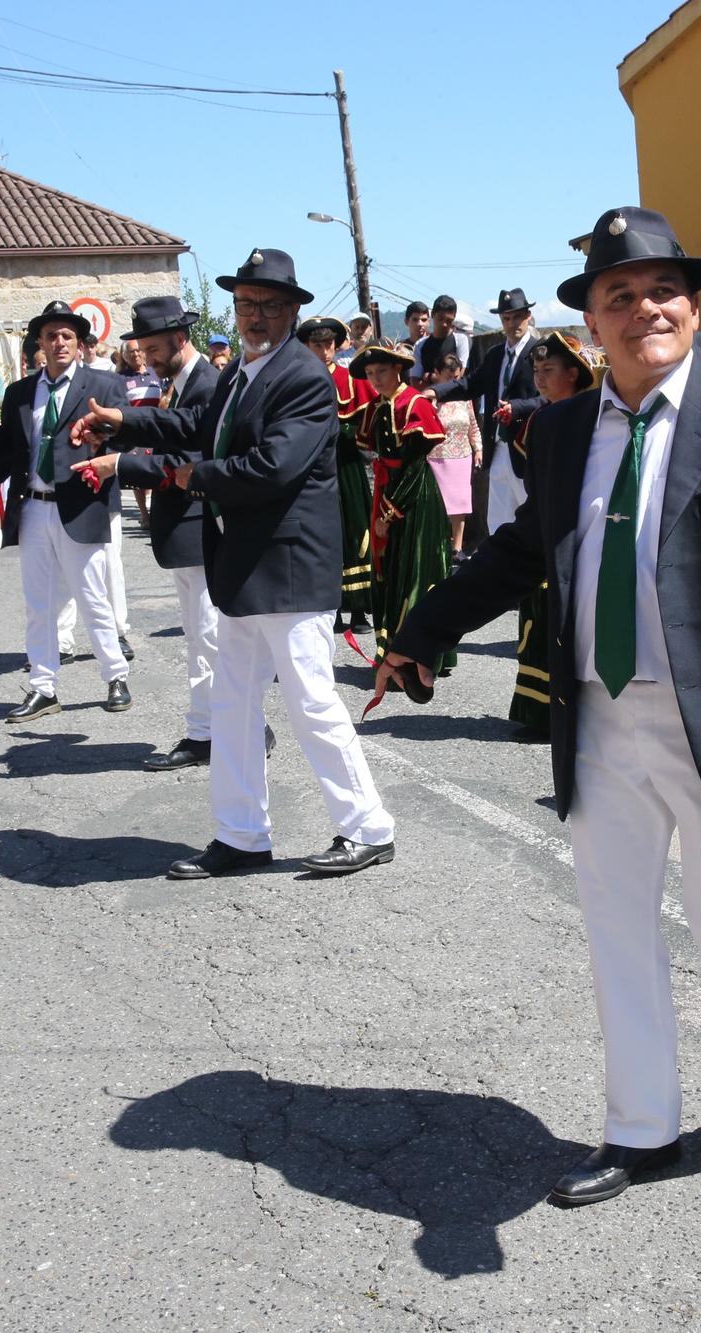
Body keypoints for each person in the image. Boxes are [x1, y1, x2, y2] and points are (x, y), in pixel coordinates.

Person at [376, 206, 701, 1205]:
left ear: (691, 308)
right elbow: (522, 552)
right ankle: (640, 1129)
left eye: (662, 291)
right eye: (619, 297)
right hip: (601, 718)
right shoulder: (560, 429)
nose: (643, 308)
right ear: (592, 324)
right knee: (617, 929)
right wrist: (424, 625)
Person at [71, 248, 394, 879]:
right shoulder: (243, 373)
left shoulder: (300, 376)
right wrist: (122, 427)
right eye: (247, 305)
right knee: (233, 705)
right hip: (246, 564)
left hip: (290, 567)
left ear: (294, 311)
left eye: (271, 306)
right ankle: (242, 835)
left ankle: (368, 828)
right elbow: (195, 422)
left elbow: (271, 468)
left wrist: (189, 477)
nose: (256, 317)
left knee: (310, 700)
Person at [0, 300, 131, 720]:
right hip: (34, 508)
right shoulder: (21, 392)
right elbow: (6, 444)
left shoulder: (104, 386)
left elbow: (125, 436)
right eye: (51, 336)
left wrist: (105, 445)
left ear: (80, 345)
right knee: (39, 603)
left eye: (67, 336)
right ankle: (43, 686)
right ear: (40, 345)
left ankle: (115, 675)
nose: (59, 343)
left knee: (92, 595)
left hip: (81, 505)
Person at [76, 295, 223, 771]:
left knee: (209, 638)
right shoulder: (180, 382)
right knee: (200, 638)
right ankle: (210, 728)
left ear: (180, 339)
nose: (148, 358)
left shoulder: (206, 384)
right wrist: (111, 436)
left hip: (203, 529)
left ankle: (224, 730)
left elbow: (191, 460)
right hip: (184, 532)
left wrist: (118, 462)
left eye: (155, 349)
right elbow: (167, 432)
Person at [499, 330, 596, 738]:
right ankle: (539, 714)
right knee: (536, 621)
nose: (539, 378)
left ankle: (572, 715)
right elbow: (527, 474)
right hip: (543, 529)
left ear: (573, 374)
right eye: (536, 370)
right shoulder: (539, 418)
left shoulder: (595, 417)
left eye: (548, 370)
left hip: (577, 536)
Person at [351, 342, 453, 669]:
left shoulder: (413, 404)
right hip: (389, 490)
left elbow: (412, 465)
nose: (375, 379)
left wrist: (387, 514)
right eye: (369, 374)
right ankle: (395, 650)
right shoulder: (379, 406)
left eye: (381, 371)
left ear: (398, 369)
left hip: (413, 499)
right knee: (393, 572)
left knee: (415, 573)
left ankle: (415, 656)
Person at [423, 287, 541, 544]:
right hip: (497, 447)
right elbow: (470, 385)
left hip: (527, 449)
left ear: (528, 316)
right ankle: (502, 577)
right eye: (506, 318)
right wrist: (436, 391)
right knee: (498, 521)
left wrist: (517, 407)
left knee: (534, 518)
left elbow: (549, 397)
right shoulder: (496, 354)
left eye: (517, 317)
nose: (512, 324)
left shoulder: (539, 351)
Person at [294, 315, 375, 637]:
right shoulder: (299, 380)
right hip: (313, 468)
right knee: (323, 534)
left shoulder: (350, 379)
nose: (324, 350)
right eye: (316, 344)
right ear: (307, 346)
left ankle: (359, 609)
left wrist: (350, 431)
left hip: (348, 467)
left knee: (356, 528)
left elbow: (369, 419)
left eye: (328, 344)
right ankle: (333, 606)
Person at [426, 353, 481, 554]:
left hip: (462, 456)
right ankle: (438, 547)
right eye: (449, 377)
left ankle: (457, 548)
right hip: (436, 457)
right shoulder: (429, 399)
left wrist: (478, 449)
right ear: (437, 374)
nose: (453, 382)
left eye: (456, 378)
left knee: (460, 505)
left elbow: (473, 425)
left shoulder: (464, 398)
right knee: (439, 506)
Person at [410, 295, 470, 386]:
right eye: (440, 319)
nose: (444, 324)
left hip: (453, 398)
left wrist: (431, 377)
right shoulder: (420, 345)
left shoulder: (460, 341)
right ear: (433, 314)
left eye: (449, 320)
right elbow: (415, 380)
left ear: (454, 318)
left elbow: (459, 375)